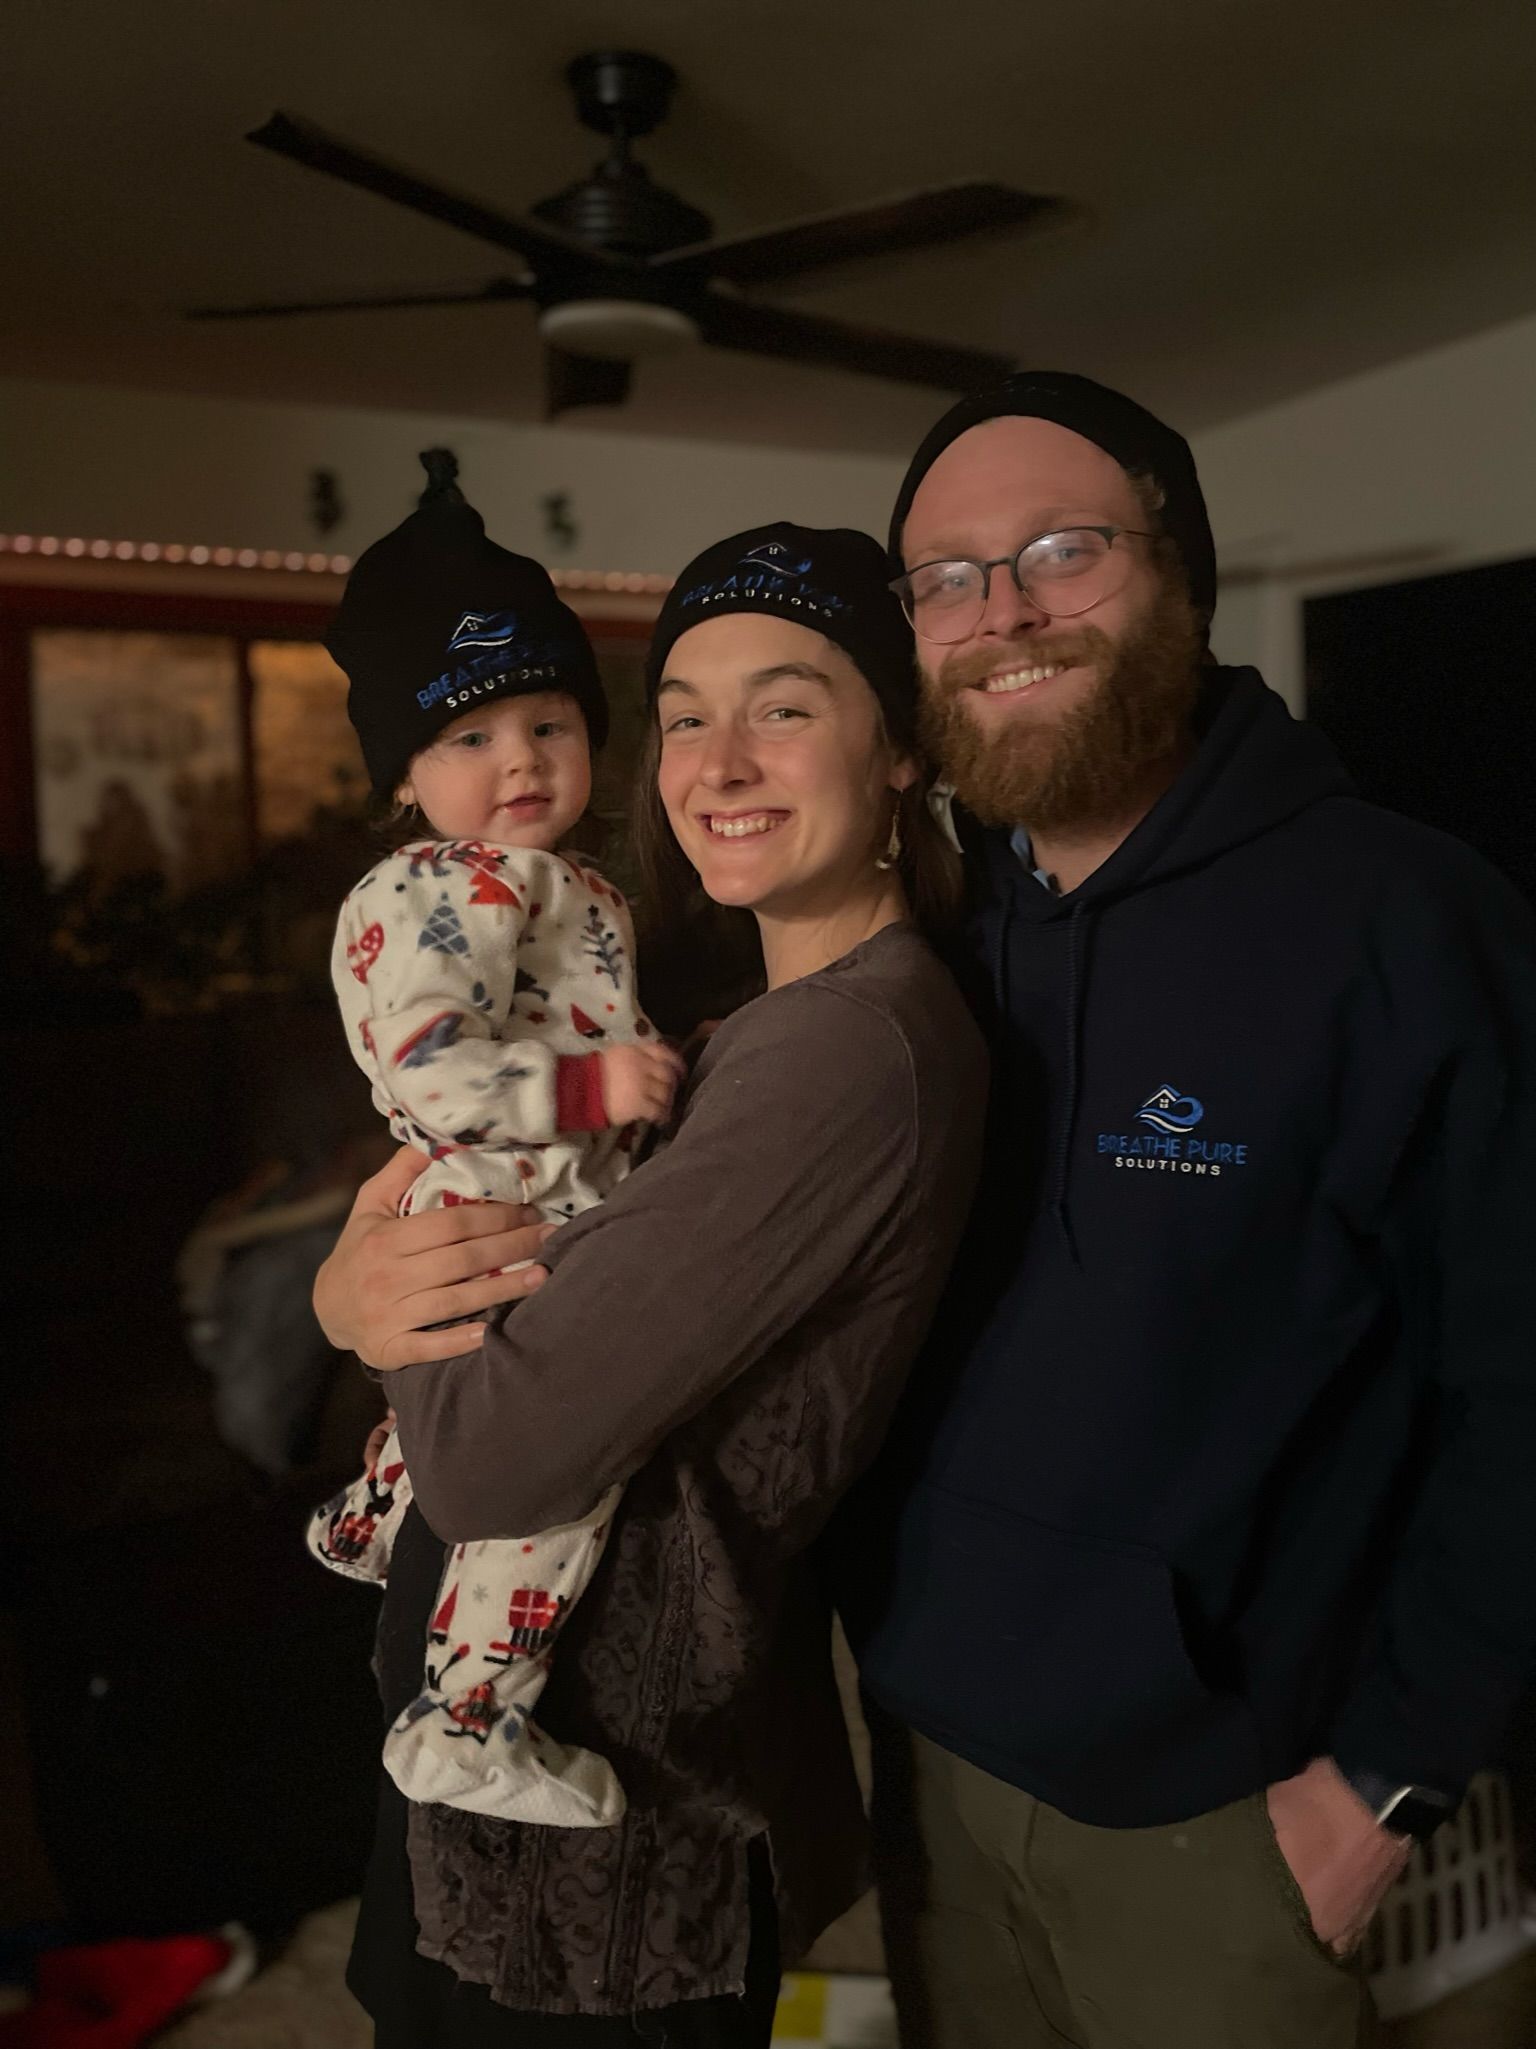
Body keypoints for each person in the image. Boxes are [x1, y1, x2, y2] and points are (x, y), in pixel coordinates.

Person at [838, 371, 1536, 2047]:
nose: (1002, 613)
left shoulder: (1408, 922)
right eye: (946, 576)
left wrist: (1392, 1771)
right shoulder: (921, 932)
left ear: (1186, 579)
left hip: (1233, 1815)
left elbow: (1522, 1380)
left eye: (1063, 551)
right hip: (931, 1766)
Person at [313, 521, 988, 2045]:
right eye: (685, 712)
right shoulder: (741, 1019)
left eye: (786, 705)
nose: (719, 761)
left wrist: (374, 1307)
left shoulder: (844, 1049)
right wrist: (358, 1287)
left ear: (897, 752)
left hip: (607, 1855)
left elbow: (495, 1456)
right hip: (519, 1781)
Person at [307, 453, 686, 1831]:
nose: (519, 756)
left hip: (531, 1214)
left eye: (547, 721)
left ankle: (373, 1508)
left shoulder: (558, 880)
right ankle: (466, 1717)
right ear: (403, 777)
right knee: (562, 1468)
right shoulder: (442, 887)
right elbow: (434, 1069)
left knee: (471, 1398)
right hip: (506, 1210)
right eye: (469, 736)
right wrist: (593, 1091)